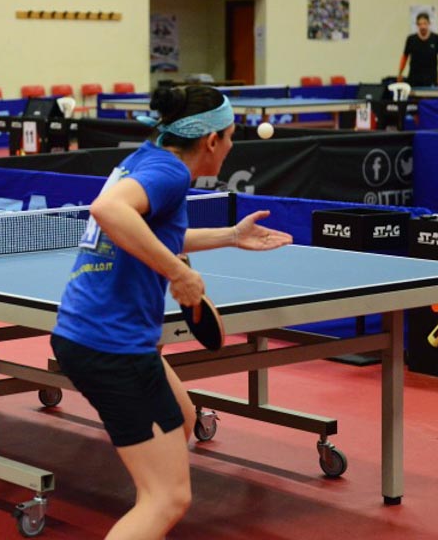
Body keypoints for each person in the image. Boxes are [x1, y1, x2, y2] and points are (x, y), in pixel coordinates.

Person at [50, 84, 292, 539]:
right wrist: (178, 274)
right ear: (212, 141)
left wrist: (229, 236)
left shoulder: (147, 159)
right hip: (110, 344)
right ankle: (148, 512)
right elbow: (108, 210)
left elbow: (150, 231)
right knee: (169, 498)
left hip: (93, 334)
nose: (232, 145)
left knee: (181, 419)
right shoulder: (171, 172)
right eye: (230, 136)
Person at [398, 11, 438, 87]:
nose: (423, 27)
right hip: (414, 79)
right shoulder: (411, 39)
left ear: (429, 23)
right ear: (417, 25)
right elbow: (405, 56)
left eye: (425, 23)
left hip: (431, 79)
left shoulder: (436, 38)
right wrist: (400, 73)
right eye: (420, 24)